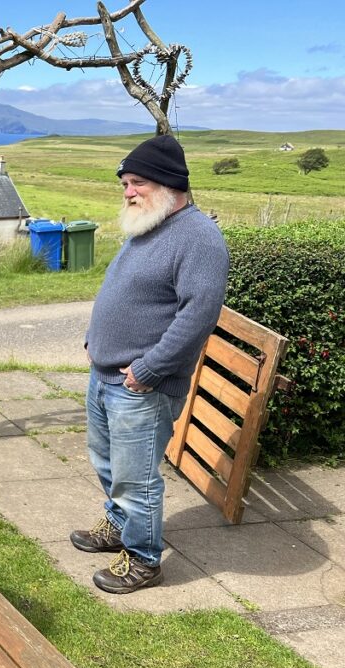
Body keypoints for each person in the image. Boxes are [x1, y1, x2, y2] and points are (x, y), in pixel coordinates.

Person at [71, 134, 229, 594]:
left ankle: (143, 558)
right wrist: (94, 340)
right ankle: (119, 526)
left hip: (142, 384)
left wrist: (150, 369)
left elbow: (199, 313)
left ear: (167, 184)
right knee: (108, 463)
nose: (127, 192)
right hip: (107, 375)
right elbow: (125, 291)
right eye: (125, 183)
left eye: (136, 182)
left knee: (137, 477)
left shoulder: (199, 237)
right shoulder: (149, 225)